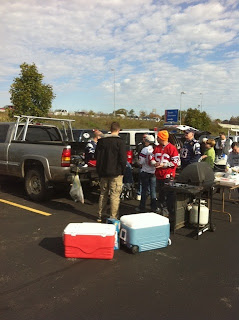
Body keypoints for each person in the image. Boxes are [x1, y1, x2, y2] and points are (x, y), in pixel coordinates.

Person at [95, 122, 127, 222]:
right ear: (118, 130)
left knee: (103, 194)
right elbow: (123, 159)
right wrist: (123, 171)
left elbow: (96, 156)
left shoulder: (101, 141)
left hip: (103, 172)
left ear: (110, 129)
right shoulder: (120, 142)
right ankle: (113, 217)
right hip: (116, 172)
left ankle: (100, 215)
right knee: (114, 195)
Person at [151, 130, 179, 216]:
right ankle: (160, 209)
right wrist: (154, 163)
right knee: (161, 194)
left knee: (169, 195)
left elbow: (176, 162)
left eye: (158, 137)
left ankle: (168, 212)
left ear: (162, 138)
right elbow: (152, 157)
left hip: (168, 176)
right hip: (158, 175)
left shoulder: (172, 148)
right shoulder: (157, 147)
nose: (157, 139)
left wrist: (164, 165)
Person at [136, 134, 157, 213]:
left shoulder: (144, 150)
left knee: (144, 190)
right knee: (153, 190)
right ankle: (154, 207)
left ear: (147, 142)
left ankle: (142, 207)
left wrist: (137, 162)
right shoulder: (155, 149)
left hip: (145, 171)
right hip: (153, 172)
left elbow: (141, 161)